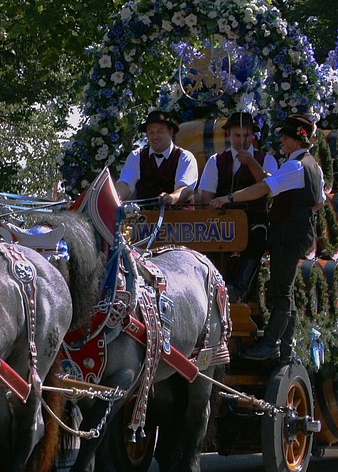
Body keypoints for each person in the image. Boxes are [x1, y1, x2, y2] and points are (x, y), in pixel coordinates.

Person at [211, 113, 324, 362]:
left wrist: (230, 198)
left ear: (296, 139)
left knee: (281, 291)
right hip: (297, 232)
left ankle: (272, 344)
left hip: (288, 233)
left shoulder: (295, 166)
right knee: (287, 290)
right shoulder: (311, 165)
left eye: (285, 136)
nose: (281, 140)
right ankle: (285, 347)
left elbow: (265, 188)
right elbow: (318, 203)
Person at [195, 112, 277, 301]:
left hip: (253, 218)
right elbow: (206, 196)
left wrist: (252, 163)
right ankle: (213, 287)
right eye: (237, 135)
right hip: (222, 217)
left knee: (258, 235)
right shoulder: (216, 161)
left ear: (253, 136)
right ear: (229, 135)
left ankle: (238, 289)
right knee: (210, 237)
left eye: (246, 135)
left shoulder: (266, 160)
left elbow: (270, 187)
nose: (242, 140)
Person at [115, 110, 197, 206]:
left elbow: (185, 188)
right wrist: (116, 196)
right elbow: (126, 183)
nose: (155, 137)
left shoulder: (185, 157)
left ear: (170, 132)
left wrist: (172, 198)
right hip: (145, 217)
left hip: (179, 218)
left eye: (159, 132)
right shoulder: (136, 156)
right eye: (151, 132)